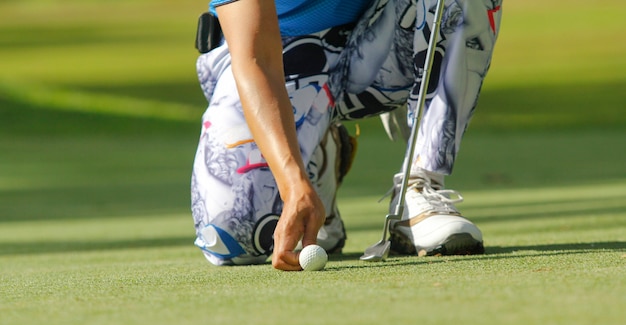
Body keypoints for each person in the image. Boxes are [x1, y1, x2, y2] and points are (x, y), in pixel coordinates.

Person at [191, 0, 503, 270]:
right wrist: (292, 183)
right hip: (278, 54)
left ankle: (420, 187)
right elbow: (258, 59)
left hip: (378, 40)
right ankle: (316, 158)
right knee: (237, 233)